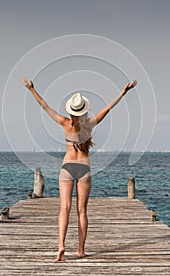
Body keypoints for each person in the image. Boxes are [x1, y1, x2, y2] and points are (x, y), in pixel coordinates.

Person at [22, 77, 137, 261]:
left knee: (64, 208)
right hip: (84, 167)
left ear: (71, 109)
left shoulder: (65, 123)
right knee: (82, 211)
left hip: (67, 166)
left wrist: (32, 89)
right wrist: (124, 92)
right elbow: (108, 108)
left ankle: (61, 246)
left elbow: (45, 106)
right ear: (84, 109)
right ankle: (81, 250)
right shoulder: (90, 124)